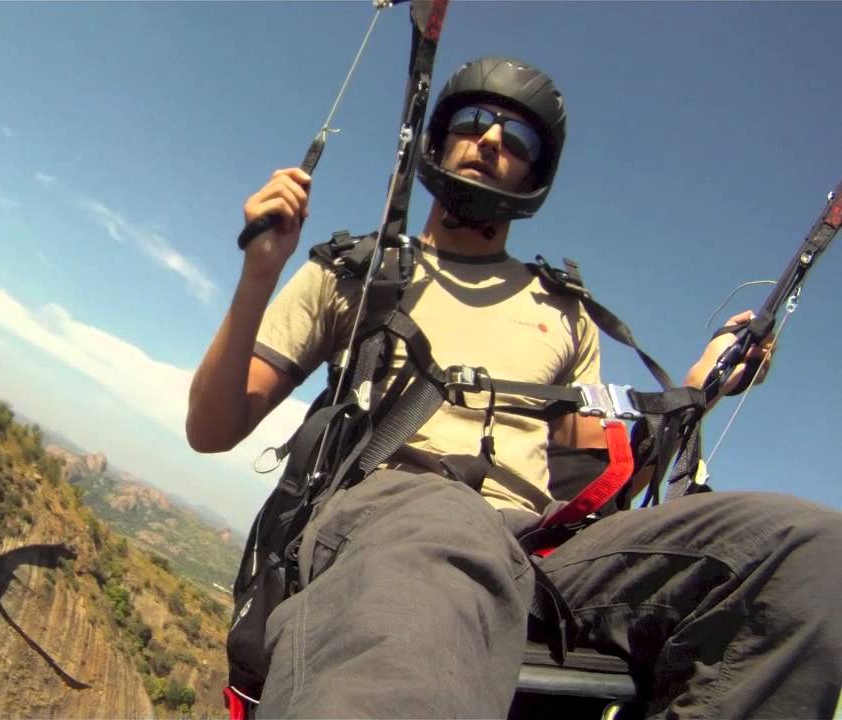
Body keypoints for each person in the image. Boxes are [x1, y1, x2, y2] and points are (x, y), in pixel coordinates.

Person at [187, 56, 842, 718]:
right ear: (440, 140)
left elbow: (594, 471)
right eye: (475, 122)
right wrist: (258, 277)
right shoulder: (356, 272)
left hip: (537, 552)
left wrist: (702, 386)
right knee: (450, 518)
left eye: (517, 138)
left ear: (534, 172)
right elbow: (211, 428)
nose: (493, 140)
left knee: (809, 550)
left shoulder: (566, 312)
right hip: (387, 517)